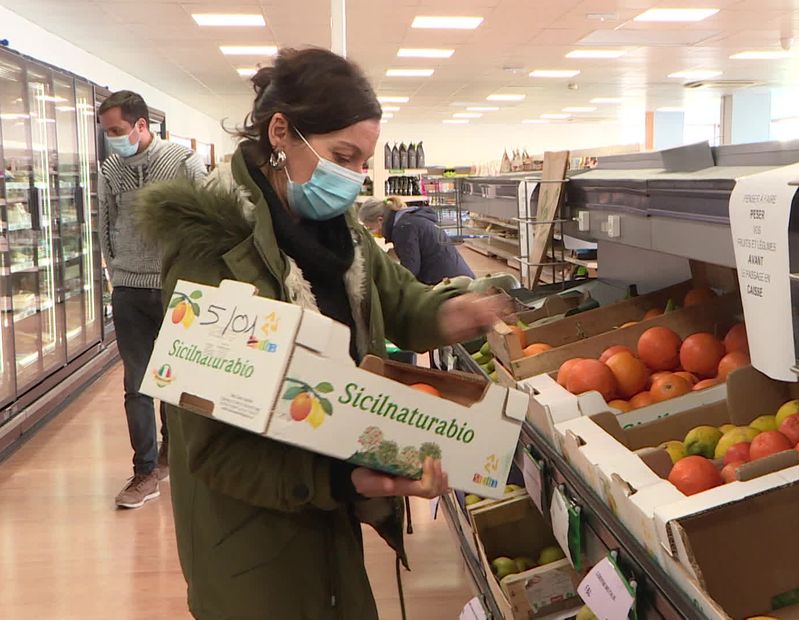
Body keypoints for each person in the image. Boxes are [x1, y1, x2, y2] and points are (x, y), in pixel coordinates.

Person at [136, 47, 510, 620]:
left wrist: (456, 311)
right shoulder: (209, 246)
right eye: (344, 156)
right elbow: (211, 447)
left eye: (364, 161)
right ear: (281, 131)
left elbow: (399, 299)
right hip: (250, 534)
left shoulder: (342, 236)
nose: (356, 178)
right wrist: (342, 476)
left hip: (328, 510)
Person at [98, 90, 207, 509]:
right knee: (137, 384)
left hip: (177, 288)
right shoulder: (110, 169)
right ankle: (145, 471)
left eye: (118, 131)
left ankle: (174, 454)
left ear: (142, 125)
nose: (113, 138)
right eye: (107, 132)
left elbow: (208, 217)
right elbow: (105, 224)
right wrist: (116, 271)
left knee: (179, 382)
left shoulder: (182, 162)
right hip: (128, 289)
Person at [358, 197, 475, 285]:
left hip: (453, 286)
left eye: (370, 228)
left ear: (380, 220)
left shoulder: (403, 228)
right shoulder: (409, 220)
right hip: (458, 278)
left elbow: (410, 272)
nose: (372, 233)